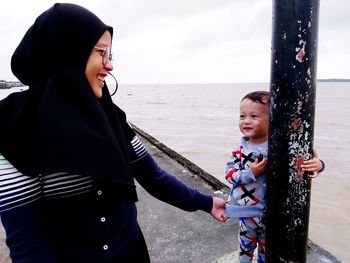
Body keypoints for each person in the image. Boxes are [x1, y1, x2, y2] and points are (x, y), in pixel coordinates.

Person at [0, 3, 227, 263]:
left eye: (111, 54)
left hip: (132, 253)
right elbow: (30, 246)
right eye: (102, 53)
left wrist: (205, 202)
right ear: (69, 53)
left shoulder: (111, 115)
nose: (110, 65)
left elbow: (152, 176)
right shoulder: (15, 131)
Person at [224, 91, 325, 263]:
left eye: (254, 116)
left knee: (267, 250)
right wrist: (250, 174)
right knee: (244, 250)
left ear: (272, 119)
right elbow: (229, 174)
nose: (246, 120)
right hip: (248, 213)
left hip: (274, 214)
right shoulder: (240, 150)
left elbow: (301, 163)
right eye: (242, 116)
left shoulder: (280, 147)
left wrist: (319, 165)